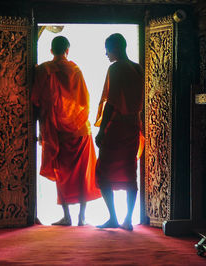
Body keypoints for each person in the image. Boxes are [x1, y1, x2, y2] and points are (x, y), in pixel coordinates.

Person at [32, 36, 101, 226]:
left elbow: (35, 99)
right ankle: (82, 217)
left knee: (61, 173)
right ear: (67, 51)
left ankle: (67, 216)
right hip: (80, 130)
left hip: (57, 131)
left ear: (52, 51)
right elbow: (84, 101)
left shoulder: (43, 70)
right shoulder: (75, 71)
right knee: (83, 175)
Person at [95, 33, 144, 231]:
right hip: (133, 126)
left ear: (114, 48)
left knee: (103, 171)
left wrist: (102, 131)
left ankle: (114, 217)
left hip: (116, 127)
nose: (106, 54)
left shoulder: (116, 68)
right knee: (130, 171)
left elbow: (112, 102)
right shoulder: (137, 68)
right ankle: (128, 220)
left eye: (107, 49)